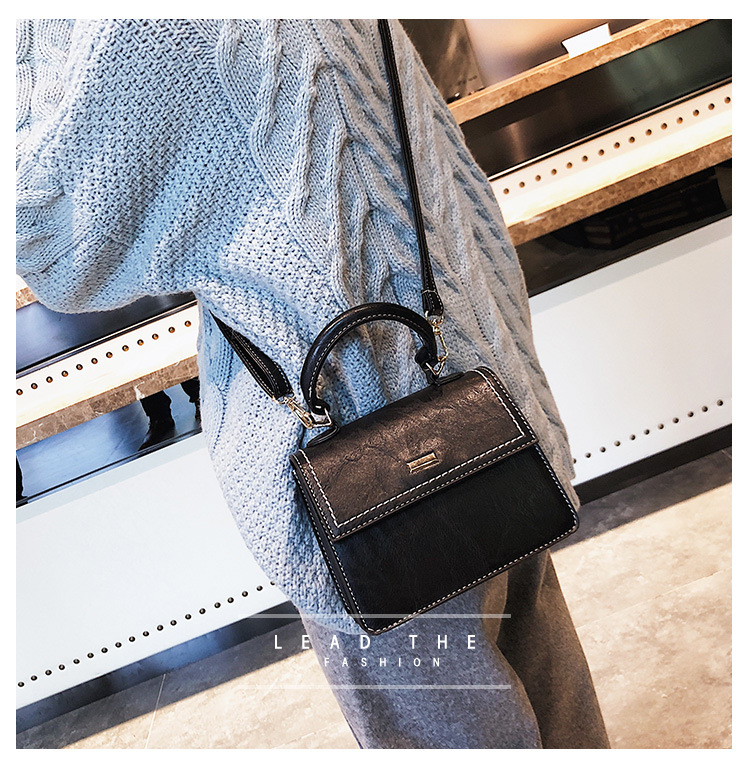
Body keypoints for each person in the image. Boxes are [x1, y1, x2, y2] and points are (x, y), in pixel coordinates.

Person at [16, 19, 609, 748]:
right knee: (537, 660)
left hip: (360, 467)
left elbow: (50, 243)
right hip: (476, 386)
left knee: (447, 722)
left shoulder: (141, 33)